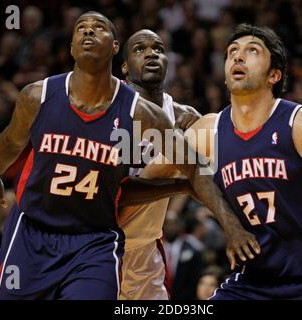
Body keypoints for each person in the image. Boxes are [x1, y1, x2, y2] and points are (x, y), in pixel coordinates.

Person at [0, 12, 259, 300]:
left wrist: (233, 225)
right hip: (39, 230)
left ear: (113, 47)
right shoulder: (40, 96)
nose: (89, 33)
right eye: (81, 29)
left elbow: (202, 171)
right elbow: (11, 142)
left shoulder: (163, 117)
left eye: (159, 49)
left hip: (104, 240)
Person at [141, 24, 302, 300]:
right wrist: (191, 188)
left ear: (275, 75)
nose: (238, 56)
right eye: (232, 51)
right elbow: (144, 180)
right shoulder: (207, 132)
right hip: (251, 285)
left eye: (252, 51)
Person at [117, 29, 201, 300]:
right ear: (125, 69)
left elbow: (207, 180)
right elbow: (121, 193)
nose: (152, 53)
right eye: (140, 49)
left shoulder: (185, 117)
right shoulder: (109, 112)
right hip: (100, 244)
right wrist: (183, 185)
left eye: (159, 48)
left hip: (145, 248)